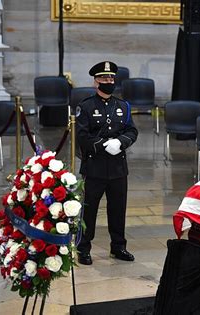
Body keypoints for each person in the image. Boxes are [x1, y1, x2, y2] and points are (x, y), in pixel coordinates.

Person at [76, 61, 138, 265]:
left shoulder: (122, 106)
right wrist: (103, 145)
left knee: (118, 209)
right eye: (104, 78)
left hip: (118, 168)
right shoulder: (85, 107)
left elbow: (132, 131)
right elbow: (83, 137)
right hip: (94, 168)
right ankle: (83, 248)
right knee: (89, 210)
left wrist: (121, 142)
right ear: (96, 81)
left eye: (111, 78)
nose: (108, 82)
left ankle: (118, 246)